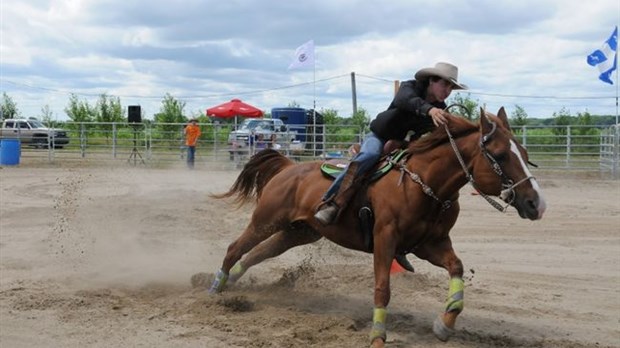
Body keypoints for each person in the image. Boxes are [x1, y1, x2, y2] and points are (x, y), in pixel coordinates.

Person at [314, 62, 468, 225]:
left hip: (405, 145)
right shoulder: (410, 88)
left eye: (451, 87)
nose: (448, 91)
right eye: (444, 84)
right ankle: (330, 201)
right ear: (431, 81)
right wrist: (429, 110)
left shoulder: (441, 110)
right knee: (369, 155)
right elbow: (404, 99)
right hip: (380, 136)